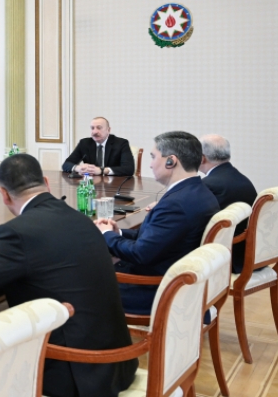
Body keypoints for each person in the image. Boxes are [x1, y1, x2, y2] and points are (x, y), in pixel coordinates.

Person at [0, 154, 137, 397]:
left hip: (75, 375)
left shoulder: (16, 233)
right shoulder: (80, 218)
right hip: (117, 364)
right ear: (46, 182)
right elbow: (49, 253)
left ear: (4, 194)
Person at [96, 131, 220, 314]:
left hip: (157, 292)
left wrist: (106, 235)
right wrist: (118, 233)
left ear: (171, 161)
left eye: (153, 157)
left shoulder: (176, 204)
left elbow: (140, 254)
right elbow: (156, 237)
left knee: (78, 281)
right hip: (174, 280)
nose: (150, 164)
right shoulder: (198, 192)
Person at [200, 134, 257, 273]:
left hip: (228, 257)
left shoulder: (209, 184)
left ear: (202, 158)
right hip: (250, 253)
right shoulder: (240, 178)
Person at [62, 117, 135, 176]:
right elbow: (66, 164)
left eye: (99, 128)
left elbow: (129, 169)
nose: (94, 132)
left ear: (108, 130)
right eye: (92, 128)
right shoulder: (84, 143)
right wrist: (79, 168)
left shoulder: (121, 143)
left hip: (114, 184)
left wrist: (102, 170)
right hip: (91, 184)